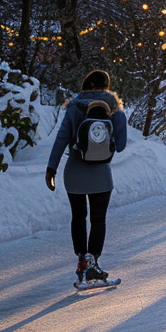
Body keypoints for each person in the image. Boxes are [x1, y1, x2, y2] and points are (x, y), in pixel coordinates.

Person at [45, 69, 128, 285]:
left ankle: (82, 263)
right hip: (101, 175)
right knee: (98, 219)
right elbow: (121, 145)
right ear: (105, 86)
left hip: (74, 173)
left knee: (79, 216)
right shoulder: (113, 106)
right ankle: (93, 262)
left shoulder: (74, 106)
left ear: (87, 85)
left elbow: (62, 138)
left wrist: (51, 168)